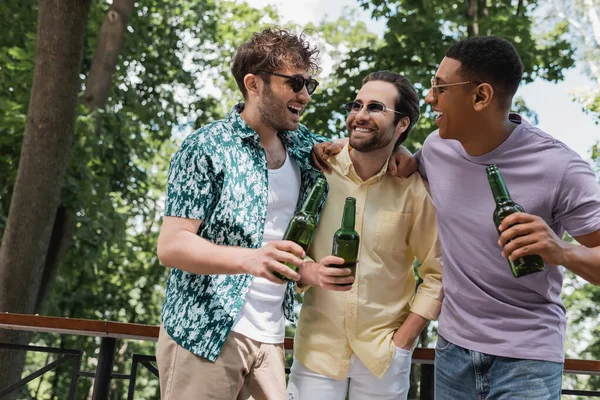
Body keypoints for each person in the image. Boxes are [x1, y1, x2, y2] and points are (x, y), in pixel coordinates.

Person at [314, 36, 600, 399]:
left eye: (440, 88)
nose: (430, 98)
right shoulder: (436, 148)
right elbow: (386, 156)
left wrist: (561, 252)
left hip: (527, 360)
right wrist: (340, 144)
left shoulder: (562, 167)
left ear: (481, 97)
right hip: (452, 353)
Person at [155, 27, 328, 400]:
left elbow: (360, 154)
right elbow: (172, 246)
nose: (304, 95)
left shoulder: (304, 147)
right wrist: (252, 259)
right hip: (205, 333)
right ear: (253, 83)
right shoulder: (207, 147)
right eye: (295, 83)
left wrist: (407, 158)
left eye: (309, 85)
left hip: (272, 339)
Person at [287, 71, 443, 400]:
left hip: (383, 357)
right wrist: (309, 271)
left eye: (375, 108)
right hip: (318, 350)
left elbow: (438, 273)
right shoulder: (319, 167)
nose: (359, 115)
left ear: (402, 125)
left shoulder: (414, 191)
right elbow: (283, 243)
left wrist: (404, 342)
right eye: (356, 105)